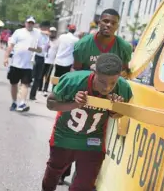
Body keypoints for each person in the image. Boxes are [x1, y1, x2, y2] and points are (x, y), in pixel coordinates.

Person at [42, 53, 133, 191]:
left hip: (93, 141)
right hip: (65, 136)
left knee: (84, 185)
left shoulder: (123, 87)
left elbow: (117, 116)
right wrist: (74, 103)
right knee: (53, 174)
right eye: (102, 81)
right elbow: (50, 104)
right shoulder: (74, 80)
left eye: (112, 83)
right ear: (94, 72)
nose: (107, 87)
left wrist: (115, 108)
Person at [73, 9, 132, 77]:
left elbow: (124, 73)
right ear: (99, 23)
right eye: (106, 21)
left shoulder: (124, 47)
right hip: (87, 84)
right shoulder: (83, 44)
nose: (109, 25)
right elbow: (76, 71)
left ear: (117, 27)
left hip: (111, 86)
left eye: (113, 23)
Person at [4, 16, 43, 112]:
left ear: (34, 24)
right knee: (14, 84)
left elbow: (40, 49)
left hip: (28, 65)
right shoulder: (18, 32)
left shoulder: (37, 34)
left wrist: (32, 49)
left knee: (25, 84)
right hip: (16, 63)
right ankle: (14, 102)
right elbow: (11, 45)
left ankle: (22, 103)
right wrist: (5, 57)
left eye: (32, 23)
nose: (30, 24)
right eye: (28, 22)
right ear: (25, 23)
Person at [29, 21, 51, 100]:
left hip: (42, 58)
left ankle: (32, 95)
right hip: (34, 56)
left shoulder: (47, 37)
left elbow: (45, 48)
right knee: (30, 76)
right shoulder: (36, 33)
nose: (48, 30)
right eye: (47, 28)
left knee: (38, 78)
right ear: (43, 27)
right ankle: (22, 89)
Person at [40, 27, 59, 96]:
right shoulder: (45, 39)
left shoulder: (57, 41)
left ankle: (45, 89)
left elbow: (57, 51)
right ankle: (39, 87)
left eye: (54, 32)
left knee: (47, 76)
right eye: (51, 32)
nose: (52, 33)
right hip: (43, 60)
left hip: (51, 61)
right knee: (41, 74)